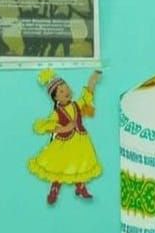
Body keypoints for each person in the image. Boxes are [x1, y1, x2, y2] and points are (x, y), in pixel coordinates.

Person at [27, 69, 102, 205]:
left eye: (66, 88)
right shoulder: (57, 113)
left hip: (80, 140)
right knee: (60, 166)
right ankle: (55, 188)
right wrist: (64, 128)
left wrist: (93, 79)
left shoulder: (76, 104)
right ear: (56, 98)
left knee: (79, 164)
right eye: (61, 91)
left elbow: (87, 95)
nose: (66, 91)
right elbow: (48, 126)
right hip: (64, 143)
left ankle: (81, 187)